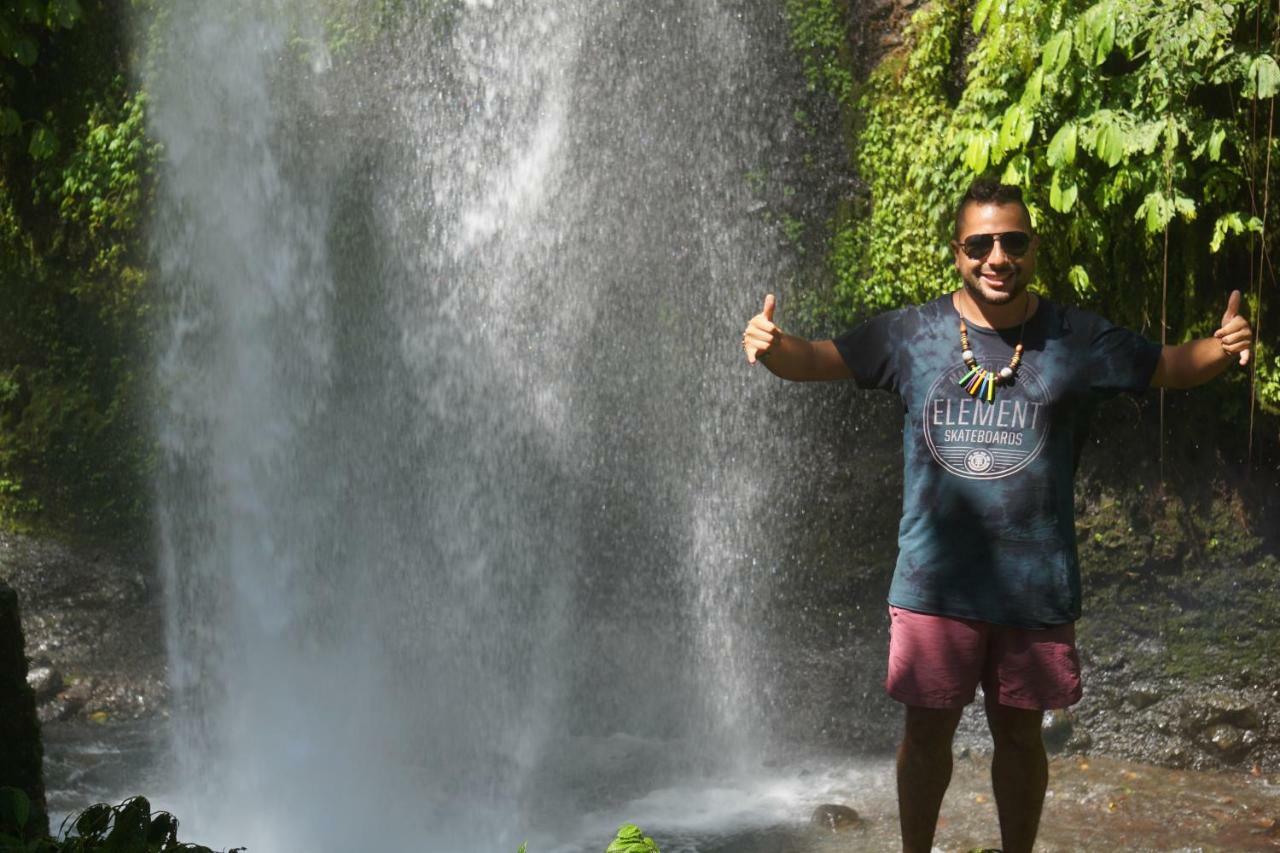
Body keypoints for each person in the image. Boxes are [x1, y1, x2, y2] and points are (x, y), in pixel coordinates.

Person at [740, 178, 1253, 853]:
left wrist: (1223, 345)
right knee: (925, 736)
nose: (997, 256)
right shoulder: (911, 333)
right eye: (979, 243)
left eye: (1012, 241)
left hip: (1033, 585)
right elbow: (818, 358)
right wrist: (773, 346)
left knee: (1020, 737)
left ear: (1033, 248)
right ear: (956, 252)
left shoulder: (1075, 336)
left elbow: (1167, 366)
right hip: (934, 584)